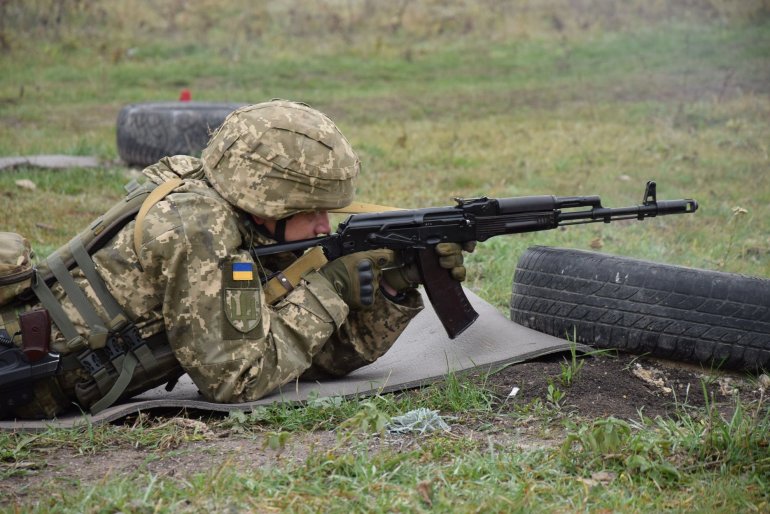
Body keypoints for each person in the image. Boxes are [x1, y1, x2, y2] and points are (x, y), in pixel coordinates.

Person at [0, 100, 471, 419]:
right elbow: (238, 379)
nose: (325, 226)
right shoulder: (199, 229)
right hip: (17, 371)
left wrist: (393, 284)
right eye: (311, 212)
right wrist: (330, 289)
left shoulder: (233, 215)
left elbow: (307, 362)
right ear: (268, 199)